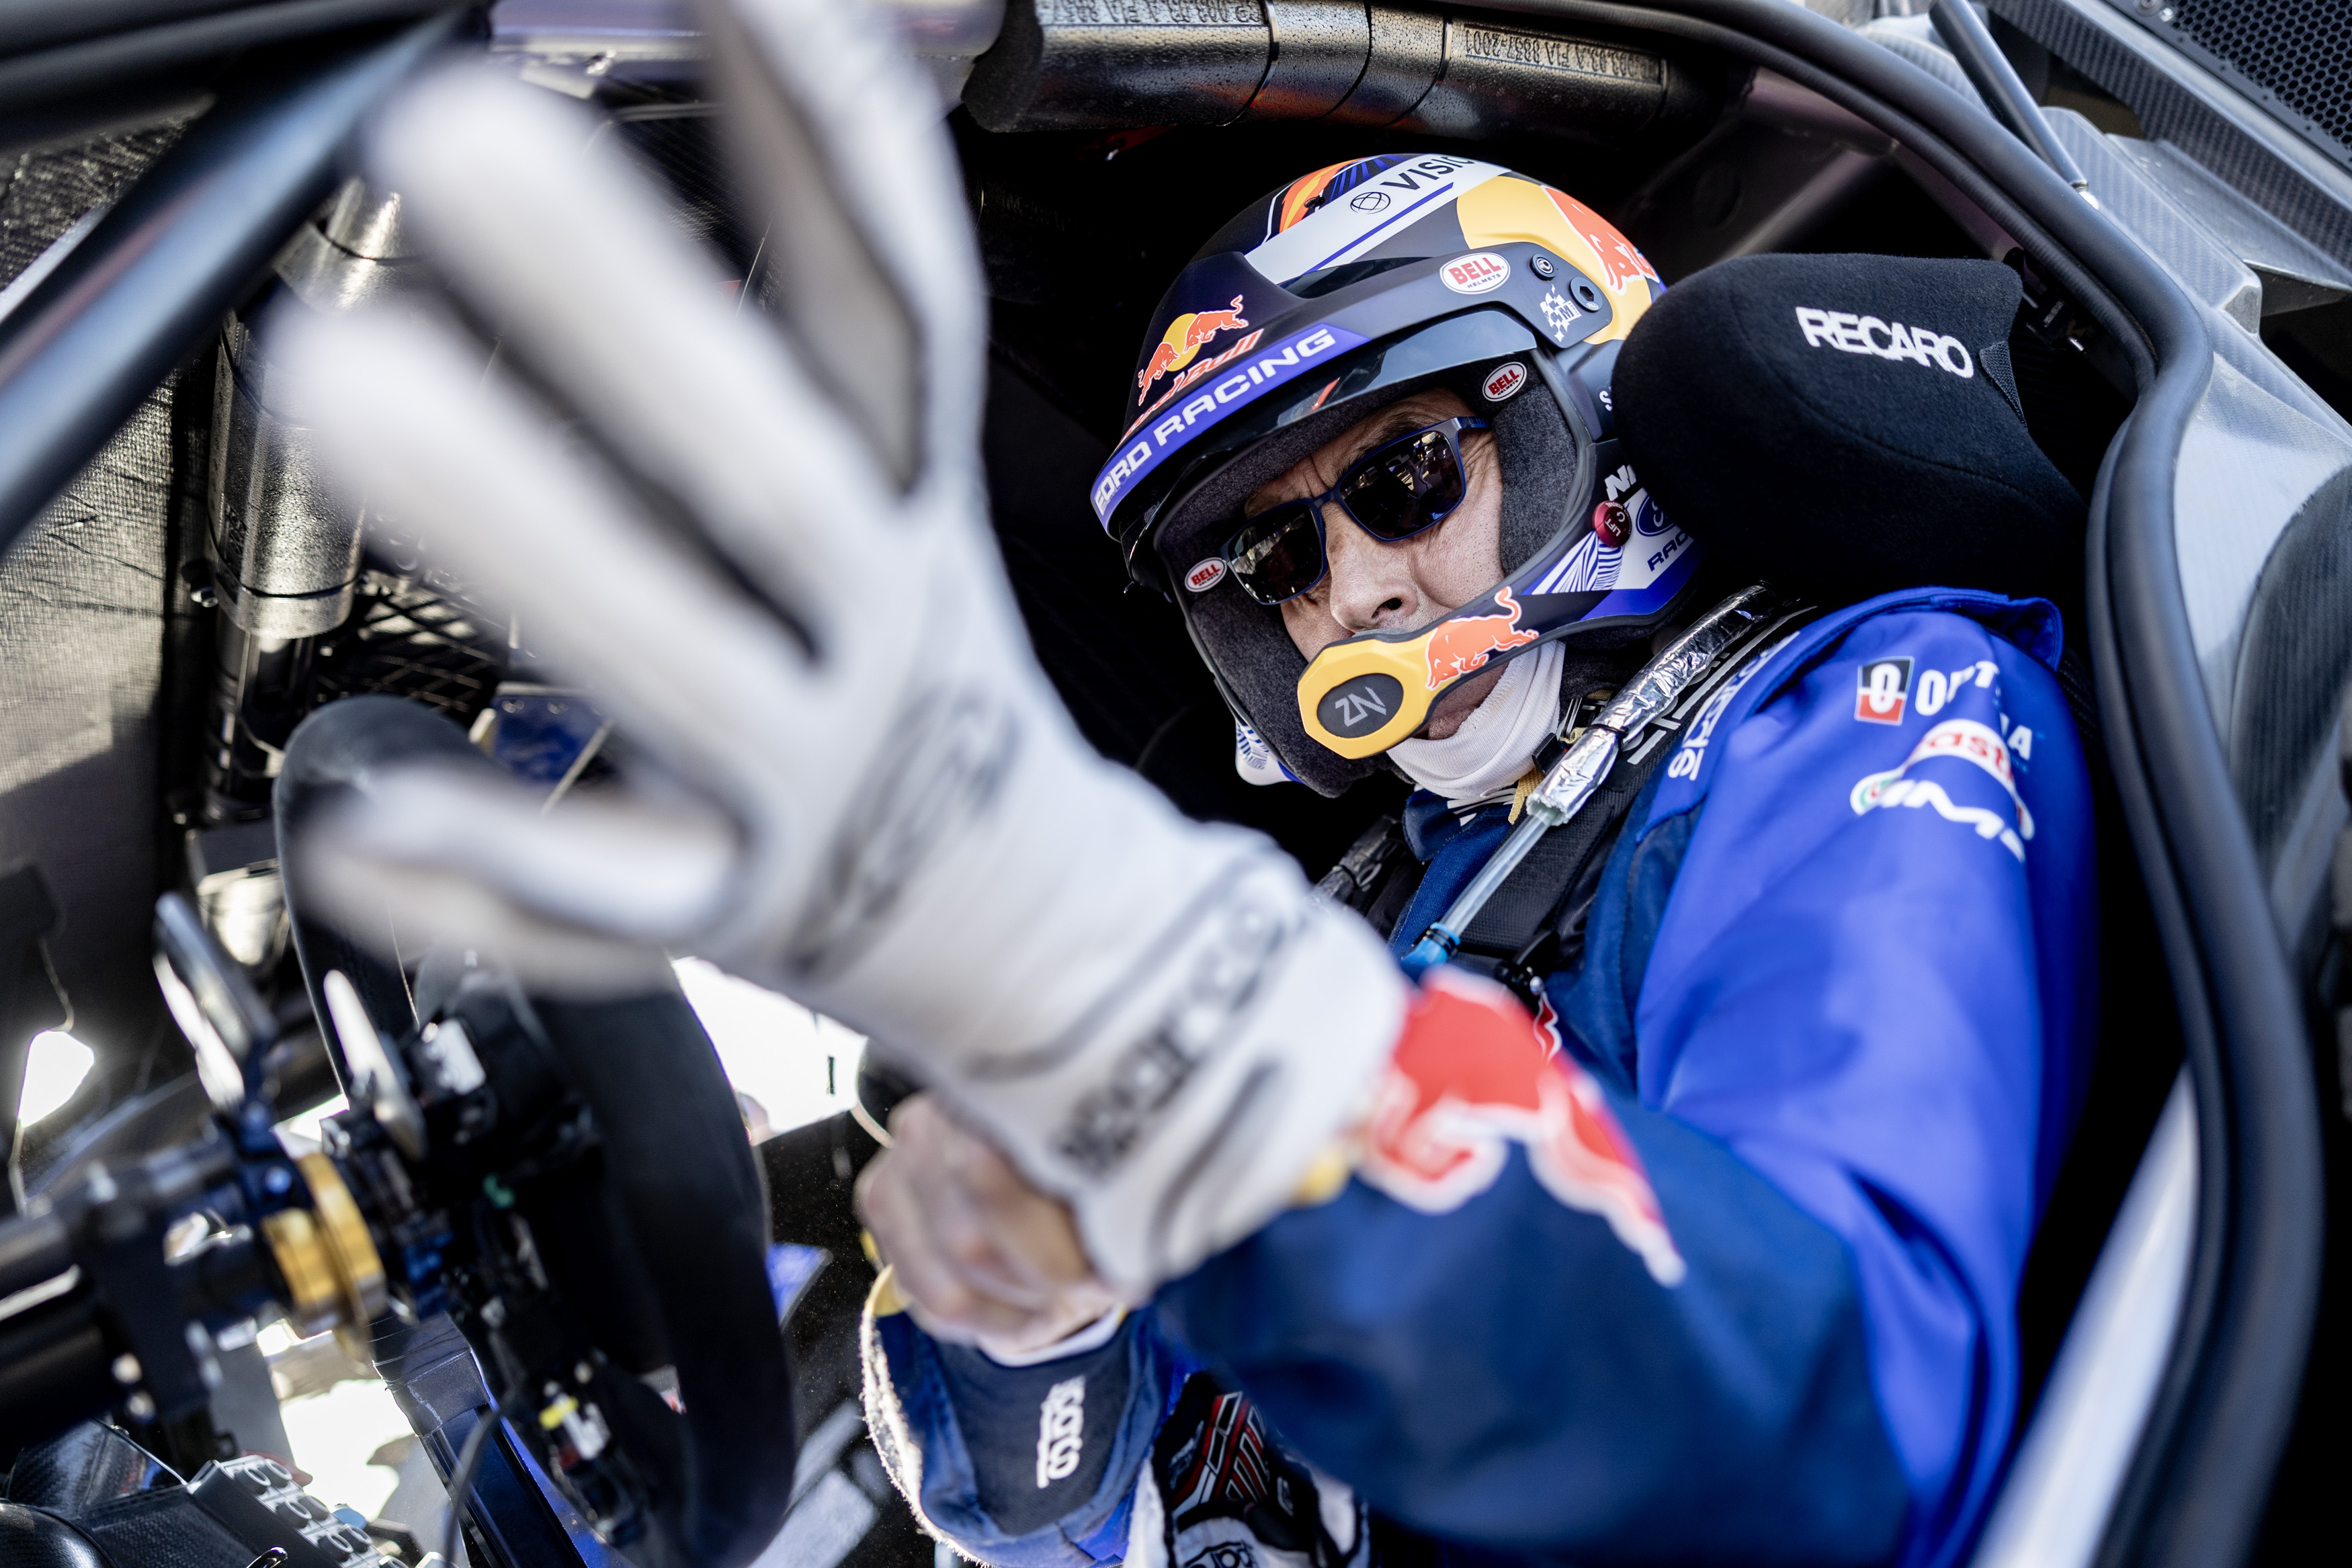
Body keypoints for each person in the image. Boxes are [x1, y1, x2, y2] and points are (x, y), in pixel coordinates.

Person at [268, 16, 2094, 1568]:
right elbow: (1053, 1524)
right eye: (1269, 566)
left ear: (1580, 422)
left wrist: (1201, 1048)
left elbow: (1838, 1416)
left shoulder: (1867, 703)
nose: (1347, 599)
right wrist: (1033, 1320)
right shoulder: (1387, 903)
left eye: (1401, 483)